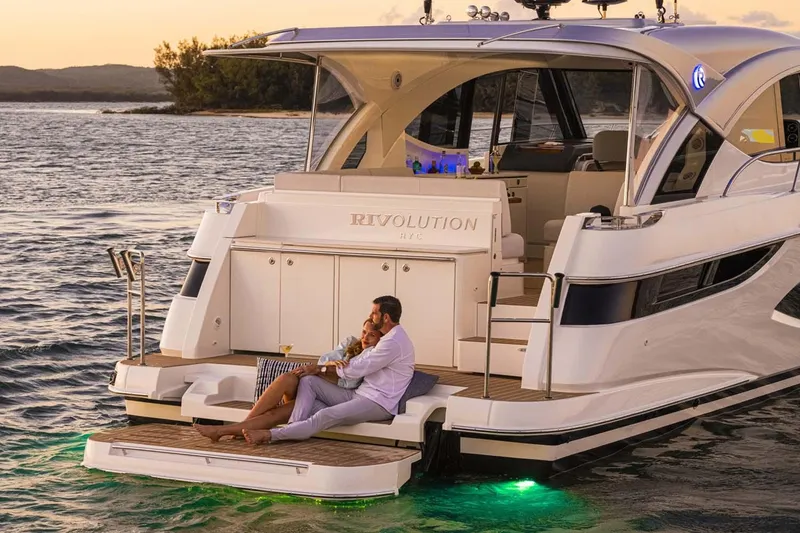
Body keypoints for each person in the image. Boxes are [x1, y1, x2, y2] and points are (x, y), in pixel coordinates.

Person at [242, 295, 415, 445]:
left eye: (374, 313)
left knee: (325, 414)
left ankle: (270, 434)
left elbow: (356, 369)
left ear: (385, 317)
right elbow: (357, 362)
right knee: (309, 381)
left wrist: (319, 369)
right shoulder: (389, 339)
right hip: (360, 394)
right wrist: (323, 368)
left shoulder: (393, 342)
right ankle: (294, 428)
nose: (370, 316)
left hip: (378, 403)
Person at [193, 319, 382, 442]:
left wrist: (329, 370)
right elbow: (322, 361)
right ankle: (242, 426)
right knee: (287, 378)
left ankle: (222, 431)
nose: (364, 337)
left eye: (371, 334)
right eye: (364, 331)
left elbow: (348, 383)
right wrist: (331, 365)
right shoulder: (350, 342)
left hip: (324, 398)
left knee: (273, 416)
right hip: (311, 389)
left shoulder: (372, 356)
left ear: (380, 338)